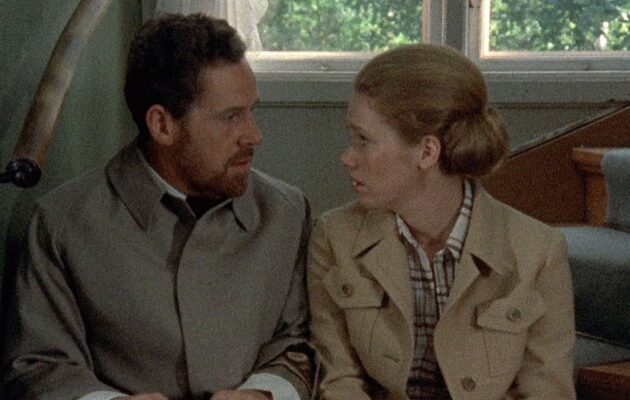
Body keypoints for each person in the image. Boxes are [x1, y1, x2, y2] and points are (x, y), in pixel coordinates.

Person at [0, 13, 315, 400]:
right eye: (231, 117)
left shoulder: (285, 213)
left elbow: (300, 342)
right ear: (162, 125)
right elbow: (38, 366)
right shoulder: (62, 223)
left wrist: (266, 393)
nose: (254, 135)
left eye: (252, 111)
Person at [307, 44, 575, 399]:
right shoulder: (334, 237)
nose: (347, 157)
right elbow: (337, 381)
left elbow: (547, 390)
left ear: (427, 152)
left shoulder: (538, 251)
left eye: (363, 140)